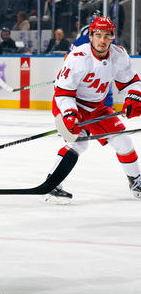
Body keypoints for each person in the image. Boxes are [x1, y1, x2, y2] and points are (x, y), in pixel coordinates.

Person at [43, 17, 141, 204]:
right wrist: (70, 113)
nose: (102, 40)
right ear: (91, 36)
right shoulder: (78, 57)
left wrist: (134, 98)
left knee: (124, 141)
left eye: (106, 36)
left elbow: (131, 82)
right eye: (98, 35)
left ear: (112, 37)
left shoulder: (119, 55)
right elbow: (63, 92)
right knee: (78, 144)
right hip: (70, 103)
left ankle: (136, 181)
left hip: (96, 108)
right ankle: (53, 182)